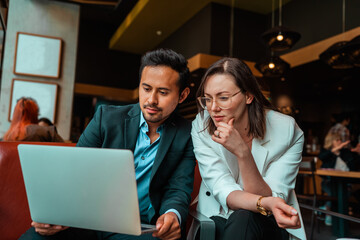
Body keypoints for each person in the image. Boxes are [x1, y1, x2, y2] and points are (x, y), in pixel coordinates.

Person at [19, 48, 196, 240]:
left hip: (139, 228)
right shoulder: (106, 118)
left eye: (163, 92)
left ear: (182, 95)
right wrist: (53, 217)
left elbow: (178, 188)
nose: (151, 100)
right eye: (146, 89)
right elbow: (74, 172)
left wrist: (172, 214)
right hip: (85, 220)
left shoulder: (186, 134)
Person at [191, 58, 305, 240]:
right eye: (207, 99)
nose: (213, 108)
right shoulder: (201, 126)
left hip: (270, 222)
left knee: (245, 217)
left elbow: (269, 197)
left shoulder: (287, 131)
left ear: (248, 96)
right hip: (217, 217)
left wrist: (243, 153)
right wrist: (264, 202)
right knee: (242, 217)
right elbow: (223, 188)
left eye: (223, 98)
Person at [318, 131, 360, 225]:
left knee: (344, 192)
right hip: (328, 182)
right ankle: (330, 213)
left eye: (341, 140)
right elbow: (321, 157)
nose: (340, 141)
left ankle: (327, 209)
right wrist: (335, 150)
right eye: (337, 140)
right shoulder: (326, 152)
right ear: (331, 141)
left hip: (346, 183)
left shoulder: (345, 152)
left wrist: (357, 153)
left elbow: (354, 166)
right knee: (337, 193)